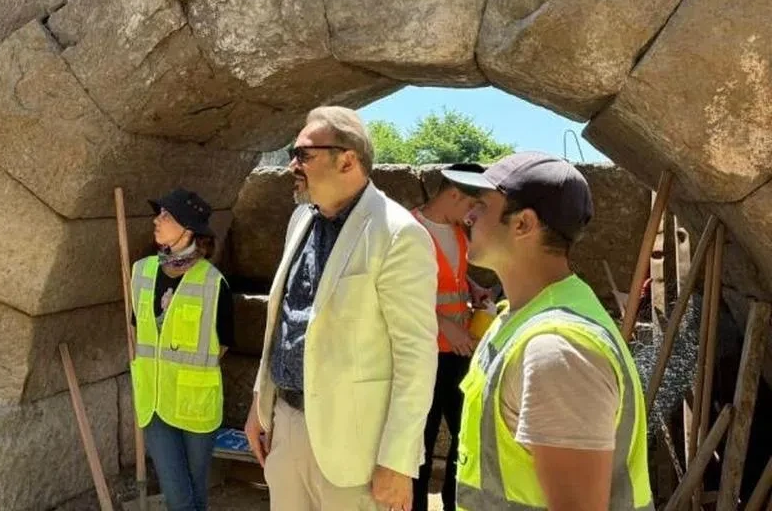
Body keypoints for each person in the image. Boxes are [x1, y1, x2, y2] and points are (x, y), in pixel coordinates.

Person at [244, 106, 438, 511]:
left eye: (303, 155)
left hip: (356, 452)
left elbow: (416, 357)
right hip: (286, 427)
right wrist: (259, 407)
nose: (292, 166)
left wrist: (398, 462)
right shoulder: (300, 220)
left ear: (347, 159)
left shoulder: (399, 234)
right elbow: (285, 323)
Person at [447, 153, 652, 510]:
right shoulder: (516, 318)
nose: (468, 216)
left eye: (481, 206)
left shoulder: (557, 350)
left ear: (523, 224)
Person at [129, 188, 233, 511]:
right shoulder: (141, 272)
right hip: (154, 403)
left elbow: (222, 344)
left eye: (166, 215)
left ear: (188, 230)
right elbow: (138, 328)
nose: (156, 220)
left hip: (195, 406)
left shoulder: (214, 283)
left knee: (195, 494)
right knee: (179, 497)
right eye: (159, 213)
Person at [410, 164, 495, 511]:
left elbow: (451, 277)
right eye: (472, 206)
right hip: (423, 355)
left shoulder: (457, 231)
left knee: (465, 438)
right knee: (419, 443)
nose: (474, 215)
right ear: (454, 194)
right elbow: (394, 297)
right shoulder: (407, 230)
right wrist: (444, 324)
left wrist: (472, 288)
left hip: (459, 354)